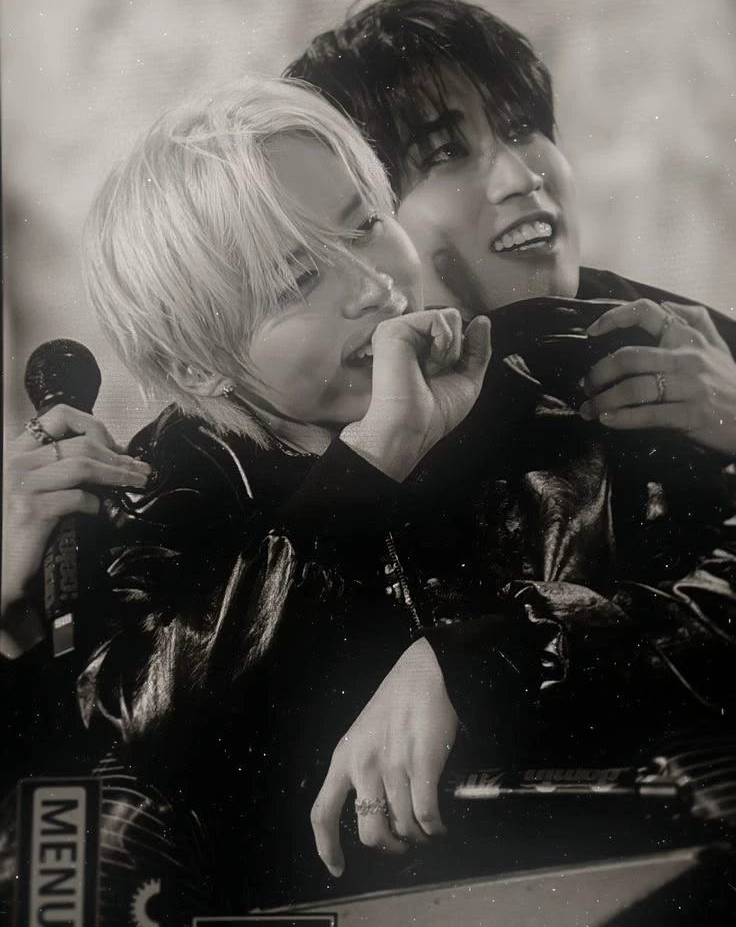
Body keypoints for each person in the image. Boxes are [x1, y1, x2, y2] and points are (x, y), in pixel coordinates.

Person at [2, 71, 735, 920]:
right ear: (197, 365)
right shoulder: (163, 488)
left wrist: (488, 656)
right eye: (296, 282)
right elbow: (138, 727)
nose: (372, 285)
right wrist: (369, 464)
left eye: (367, 226)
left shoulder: (564, 367)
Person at [286, 0, 736, 877]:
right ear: (365, 219)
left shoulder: (687, 346)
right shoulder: (300, 408)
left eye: (524, 127)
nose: (520, 175)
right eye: (444, 152)